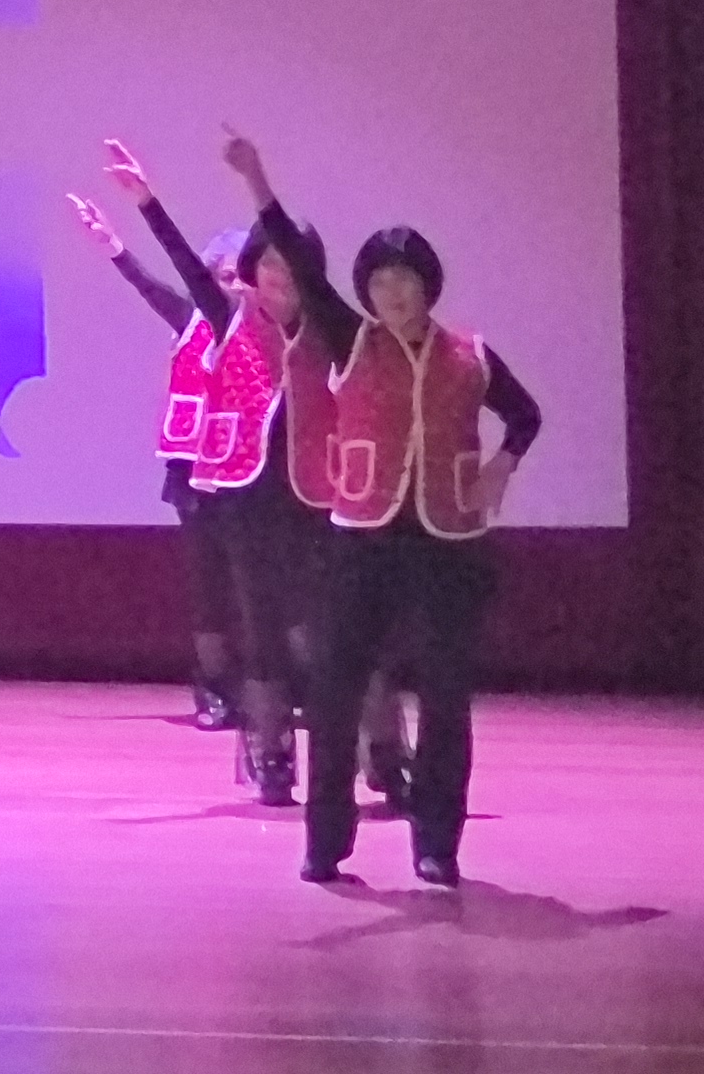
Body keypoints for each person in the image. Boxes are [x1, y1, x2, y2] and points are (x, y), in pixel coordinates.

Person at [221, 129, 539, 888]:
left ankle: (437, 844)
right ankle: (326, 843)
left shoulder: (470, 355)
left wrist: (501, 465)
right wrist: (257, 180)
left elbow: (526, 416)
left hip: (446, 544)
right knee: (335, 692)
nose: (393, 294)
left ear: (428, 287)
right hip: (361, 541)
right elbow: (301, 265)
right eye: (380, 282)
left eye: (405, 281)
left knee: (446, 699)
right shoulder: (350, 340)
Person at [77, 141, 334, 804]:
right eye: (267, 264)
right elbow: (187, 271)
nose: (278, 275)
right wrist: (147, 205)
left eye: (290, 263)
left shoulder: (331, 329)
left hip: (317, 496)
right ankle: (271, 757)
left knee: (325, 627)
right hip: (248, 499)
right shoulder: (230, 320)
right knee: (260, 624)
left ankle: (373, 753)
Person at [71, 140, 249, 729]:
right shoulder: (191, 318)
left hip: (245, 471)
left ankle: (266, 688)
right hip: (192, 472)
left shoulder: (261, 333)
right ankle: (214, 690)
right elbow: (150, 286)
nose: (229, 284)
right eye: (221, 275)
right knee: (208, 584)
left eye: (238, 276)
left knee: (253, 583)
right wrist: (114, 246)